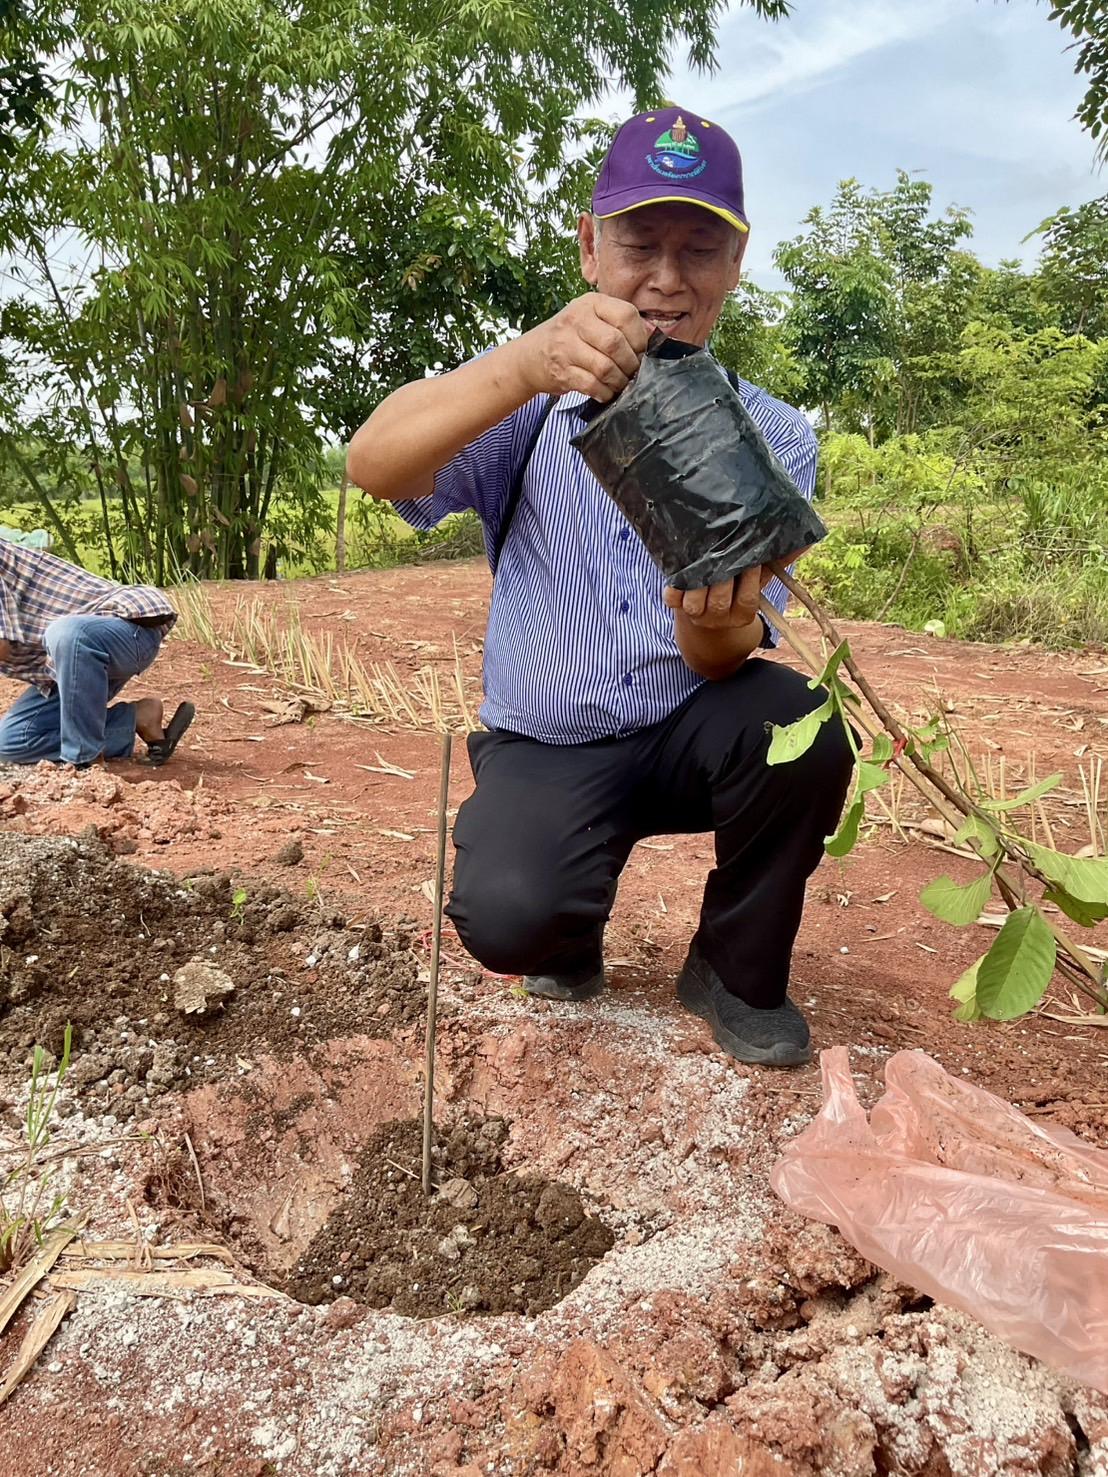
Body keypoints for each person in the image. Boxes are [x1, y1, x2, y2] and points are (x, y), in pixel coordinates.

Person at [348, 107, 853, 1067]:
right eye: (640, 245)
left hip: (691, 731)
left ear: (736, 266)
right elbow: (374, 463)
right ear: (590, 247)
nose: (667, 279)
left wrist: (711, 622)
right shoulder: (528, 406)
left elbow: (726, 656)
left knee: (804, 727)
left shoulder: (772, 438)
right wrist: (524, 364)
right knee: (509, 918)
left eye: (700, 249)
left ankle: (734, 970)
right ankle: (566, 928)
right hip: (549, 745)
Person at [0, 539, 194, 768]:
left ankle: (84, 760)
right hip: (66, 664)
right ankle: (136, 718)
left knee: (65, 633)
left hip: (127, 627)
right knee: (11, 744)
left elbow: (3, 645)